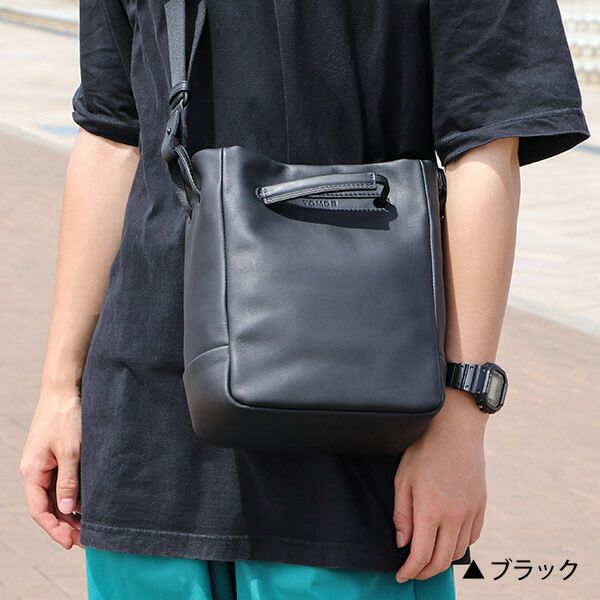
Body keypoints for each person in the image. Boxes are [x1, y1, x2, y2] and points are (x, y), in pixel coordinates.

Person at [20, 0, 589, 598]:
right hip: (149, 430)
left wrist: (461, 419)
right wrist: (59, 389)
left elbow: (485, 146)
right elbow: (113, 133)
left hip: (356, 440)